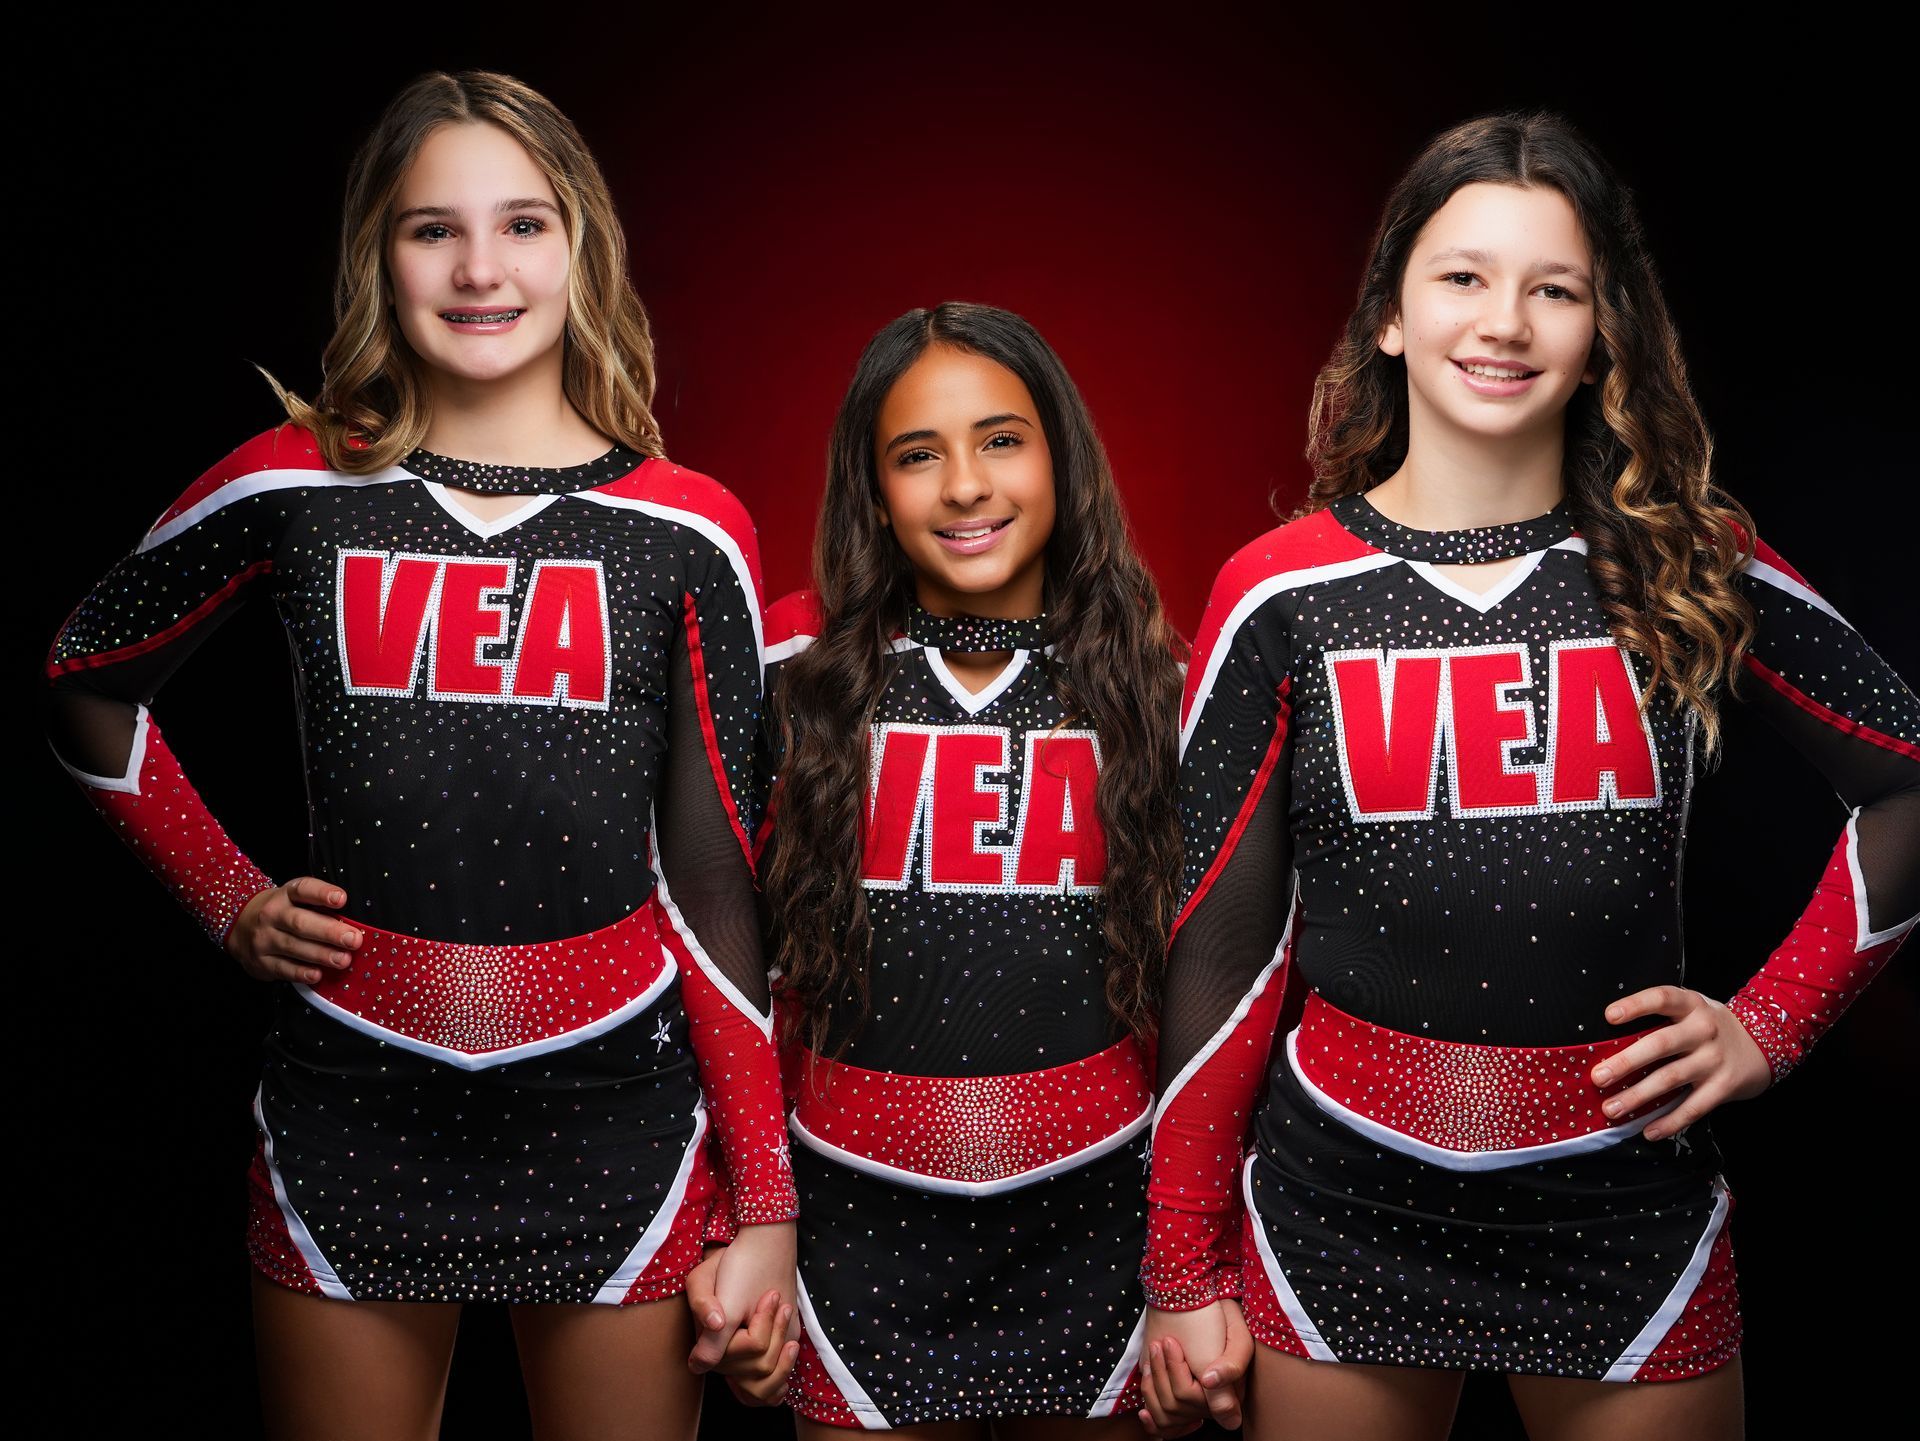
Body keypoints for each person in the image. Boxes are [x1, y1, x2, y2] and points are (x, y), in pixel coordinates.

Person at [1139, 110, 1920, 1441]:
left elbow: (1906, 780)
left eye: (1552, 289)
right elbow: (1222, 946)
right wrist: (1177, 1268)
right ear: (1388, 315)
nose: (1503, 321)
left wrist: (1770, 1024)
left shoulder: (1685, 560)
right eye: (1463, 277)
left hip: (1628, 1217)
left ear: (1602, 332)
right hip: (1342, 1208)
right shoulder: (1281, 594)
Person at [43, 70, 795, 1441]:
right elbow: (83, 685)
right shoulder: (292, 482)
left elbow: (716, 878)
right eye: (430, 228)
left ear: (582, 246)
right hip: (353, 1104)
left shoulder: (690, 531)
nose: (480, 268)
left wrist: (771, 1205)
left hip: (616, 1107)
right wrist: (230, 900)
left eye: (521, 224)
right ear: (376, 258)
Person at [743, 302, 1187, 1435]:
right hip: (849, 1228)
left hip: (1097, 1225)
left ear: (1060, 456)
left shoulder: (1163, 683)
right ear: (872, 487)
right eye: (917, 454)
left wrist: (1204, 1266)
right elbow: (708, 946)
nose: (964, 486)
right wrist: (738, 1213)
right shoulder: (787, 666)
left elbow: (1227, 982)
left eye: (1000, 439)